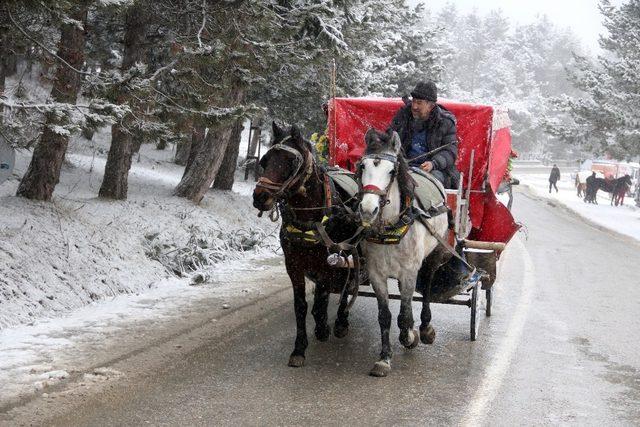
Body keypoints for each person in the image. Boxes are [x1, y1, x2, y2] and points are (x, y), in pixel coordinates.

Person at [388, 81, 459, 188]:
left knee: (433, 180)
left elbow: (450, 151)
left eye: (419, 103)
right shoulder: (403, 116)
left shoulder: (445, 122)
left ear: (431, 106)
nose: (414, 106)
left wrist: (433, 163)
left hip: (434, 170)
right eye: (414, 101)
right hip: (403, 166)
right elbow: (390, 138)